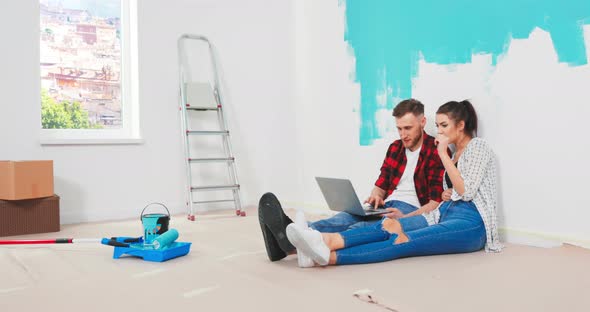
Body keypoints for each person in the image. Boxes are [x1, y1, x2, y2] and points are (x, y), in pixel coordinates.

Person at [285, 100, 503, 266]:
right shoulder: (454, 153)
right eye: (438, 126)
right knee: (387, 225)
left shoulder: (477, 146)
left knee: (402, 240)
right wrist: (448, 192)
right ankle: (320, 242)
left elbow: (466, 191)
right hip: (442, 213)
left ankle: (325, 253)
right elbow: (455, 189)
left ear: (461, 125)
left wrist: (442, 155)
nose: (440, 131)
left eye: (444, 125)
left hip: (471, 223)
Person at [258, 99, 447, 262]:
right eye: (399, 128)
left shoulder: (434, 151)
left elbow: (435, 203)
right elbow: (381, 184)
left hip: (410, 209)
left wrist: (405, 218)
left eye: (408, 128)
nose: (403, 134)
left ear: (422, 122)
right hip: (387, 204)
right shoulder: (395, 148)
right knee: (342, 218)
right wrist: (376, 196)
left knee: (362, 227)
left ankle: (289, 245)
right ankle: (290, 235)